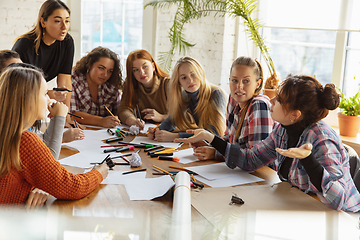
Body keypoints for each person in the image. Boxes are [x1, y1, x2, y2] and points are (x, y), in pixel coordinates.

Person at [175, 74, 360, 212]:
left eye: (279, 99)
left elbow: (338, 200)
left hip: (341, 220)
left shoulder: (323, 139)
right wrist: (211, 138)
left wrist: (309, 159)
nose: (271, 99)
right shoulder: (282, 129)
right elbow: (250, 159)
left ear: (295, 114)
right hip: (302, 208)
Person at [0, 66, 108, 210]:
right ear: (29, 99)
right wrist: (99, 172)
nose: (49, 99)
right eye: (45, 93)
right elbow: (72, 187)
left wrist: (40, 185)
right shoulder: (24, 141)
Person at [192, 56, 275, 160]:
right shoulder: (234, 98)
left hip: (260, 174)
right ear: (229, 80)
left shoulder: (259, 105)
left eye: (246, 81)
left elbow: (256, 157)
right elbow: (229, 139)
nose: (239, 87)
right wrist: (211, 144)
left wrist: (215, 153)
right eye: (235, 80)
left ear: (257, 84)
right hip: (238, 171)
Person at [0, 58, 83, 160]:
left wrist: (55, 120)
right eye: (45, 94)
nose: (49, 99)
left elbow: (44, 144)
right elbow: (49, 160)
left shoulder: (23, 125)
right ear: (27, 98)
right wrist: (59, 118)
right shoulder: (23, 136)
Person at [12, 0, 74, 125]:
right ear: (43, 22)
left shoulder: (67, 42)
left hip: (35, 99)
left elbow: (65, 83)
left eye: (67, 21)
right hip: (17, 104)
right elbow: (21, 90)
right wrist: (51, 95)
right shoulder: (24, 46)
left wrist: (65, 116)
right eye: (57, 21)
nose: (64, 26)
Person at [148, 56, 226, 142]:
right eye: (184, 78)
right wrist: (157, 131)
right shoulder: (186, 95)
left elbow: (214, 135)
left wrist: (175, 136)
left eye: (193, 74)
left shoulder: (216, 94)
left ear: (200, 73)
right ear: (179, 83)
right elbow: (173, 120)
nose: (190, 80)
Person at [70, 47, 123, 128]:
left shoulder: (112, 86)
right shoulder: (74, 80)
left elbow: (119, 112)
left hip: (105, 134)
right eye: (101, 68)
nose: (105, 74)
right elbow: (72, 114)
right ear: (90, 65)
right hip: (79, 132)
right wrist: (101, 121)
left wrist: (116, 119)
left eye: (109, 71)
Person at [118, 49, 169, 130]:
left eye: (145, 66)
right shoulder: (130, 84)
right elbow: (124, 109)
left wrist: (162, 117)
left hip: (168, 132)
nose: (141, 73)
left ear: (153, 66)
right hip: (144, 133)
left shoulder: (168, 83)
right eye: (135, 70)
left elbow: (186, 115)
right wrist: (132, 121)